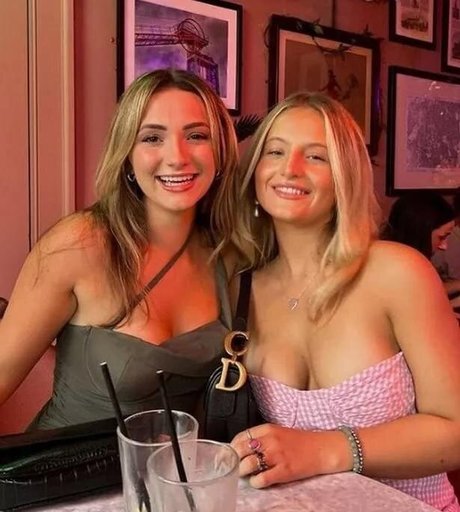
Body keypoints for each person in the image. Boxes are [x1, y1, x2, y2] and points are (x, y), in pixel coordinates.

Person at [216, 91, 460, 511]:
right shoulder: (242, 287)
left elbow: (455, 432)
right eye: (275, 151)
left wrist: (327, 449)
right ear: (254, 171)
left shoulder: (398, 272)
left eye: (316, 156)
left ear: (345, 176)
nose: (290, 169)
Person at [0, 68, 238, 430]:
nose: (177, 156)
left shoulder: (227, 255)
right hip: (69, 463)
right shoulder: (80, 244)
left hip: (177, 465)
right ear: (127, 154)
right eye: (152, 138)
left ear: (219, 150)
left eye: (196, 135)